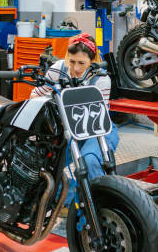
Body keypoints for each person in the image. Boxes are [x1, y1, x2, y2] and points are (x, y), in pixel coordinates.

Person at [30, 33, 119, 208]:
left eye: (81, 63)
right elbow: (34, 95)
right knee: (42, 166)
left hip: (96, 129)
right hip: (66, 128)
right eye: (72, 61)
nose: (76, 68)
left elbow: (98, 114)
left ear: (92, 61)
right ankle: (73, 200)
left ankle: (100, 209)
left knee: (89, 161)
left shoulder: (101, 78)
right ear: (66, 57)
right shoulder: (57, 69)